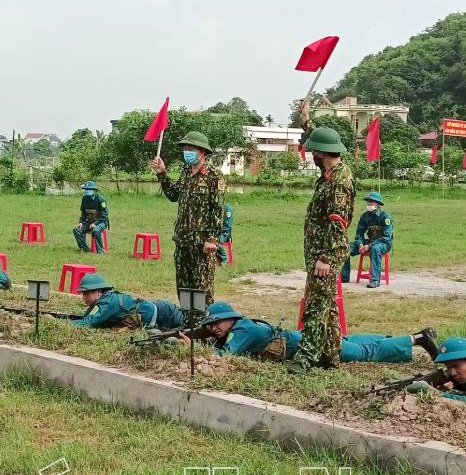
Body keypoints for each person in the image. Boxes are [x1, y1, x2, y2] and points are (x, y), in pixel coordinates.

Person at [293, 101, 355, 371]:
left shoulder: (339, 182)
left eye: (313, 151)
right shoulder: (334, 170)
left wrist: (325, 258)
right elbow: (323, 139)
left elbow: (337, 225)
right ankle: (331, 357)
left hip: (325, 254)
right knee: (327, 306)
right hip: (320, 252)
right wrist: (307, 121)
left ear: (320, 154)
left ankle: (305, 359)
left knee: (316, 307)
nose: (311, 155)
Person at [184, 302, 438, 365]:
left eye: (218, 323)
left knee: (362, 354)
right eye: (211, 325)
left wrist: (191, 347)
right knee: (347, 341)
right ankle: (387, 338)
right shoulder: (241, 327)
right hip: (302, 340)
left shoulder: (241, 330)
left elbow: (225, 355)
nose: (214, 328)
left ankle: (417, 339)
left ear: (232, 319)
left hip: (308, 345)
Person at [149, 131, 226, 322]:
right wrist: (162, 174)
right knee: (184, 286)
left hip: (202, 245)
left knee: (201, 287)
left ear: (202, 152)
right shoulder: (185, 172)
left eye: (190, 149)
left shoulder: (214, 176)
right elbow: (174, 195)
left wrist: (212, 239)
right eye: (185, 149)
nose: (186, 152)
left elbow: (218, 210)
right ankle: (187, 322)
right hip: (183, 241)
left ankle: (203, 326)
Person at [72, 273, 184, 330]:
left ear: (98, 292)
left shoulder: (107, 303)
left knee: (190, 326)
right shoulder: (104, 300)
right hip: (159, 311)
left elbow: (87, 323)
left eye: (86, 293)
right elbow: (86, 318)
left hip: (164, 314)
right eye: (83, 293)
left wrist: (59, 322)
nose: (83, 296)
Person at [340, 192, 393, 288]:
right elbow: (359, 234)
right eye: (368, 202)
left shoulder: (385, 217)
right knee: (345, 247)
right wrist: (360, 244)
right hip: (369, 242)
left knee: (375, 249)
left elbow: (387, 237)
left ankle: (374, 280)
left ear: (378, 204)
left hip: (383, 244)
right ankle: (344, 277)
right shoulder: (365, 216)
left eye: (371, 202)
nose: (369, 204)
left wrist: (369, 246)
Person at [72, 181, 109, 254]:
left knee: (95, 230)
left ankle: (101, 251)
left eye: (89, 189)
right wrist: (81, 222)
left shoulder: (101, 200)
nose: (87, 191)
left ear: (94, 190)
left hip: (101, 222)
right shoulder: (84, 199)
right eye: (86, 189)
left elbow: (105, 215)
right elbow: (83, 212)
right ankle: (84, 249)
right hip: (89, 221)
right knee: (76, 230)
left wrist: (95, 223)